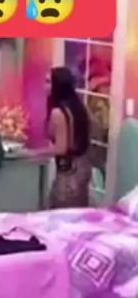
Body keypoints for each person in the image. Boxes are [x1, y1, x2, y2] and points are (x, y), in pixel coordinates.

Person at [41, 66, 91, 207]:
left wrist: (36, 152)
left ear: (58, 85)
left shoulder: (58, 112)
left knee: (60, 210)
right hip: (82, 168)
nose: (44, 86)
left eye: (48, 82)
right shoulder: (77, 107)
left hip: (69, 173)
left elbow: (61, 148)